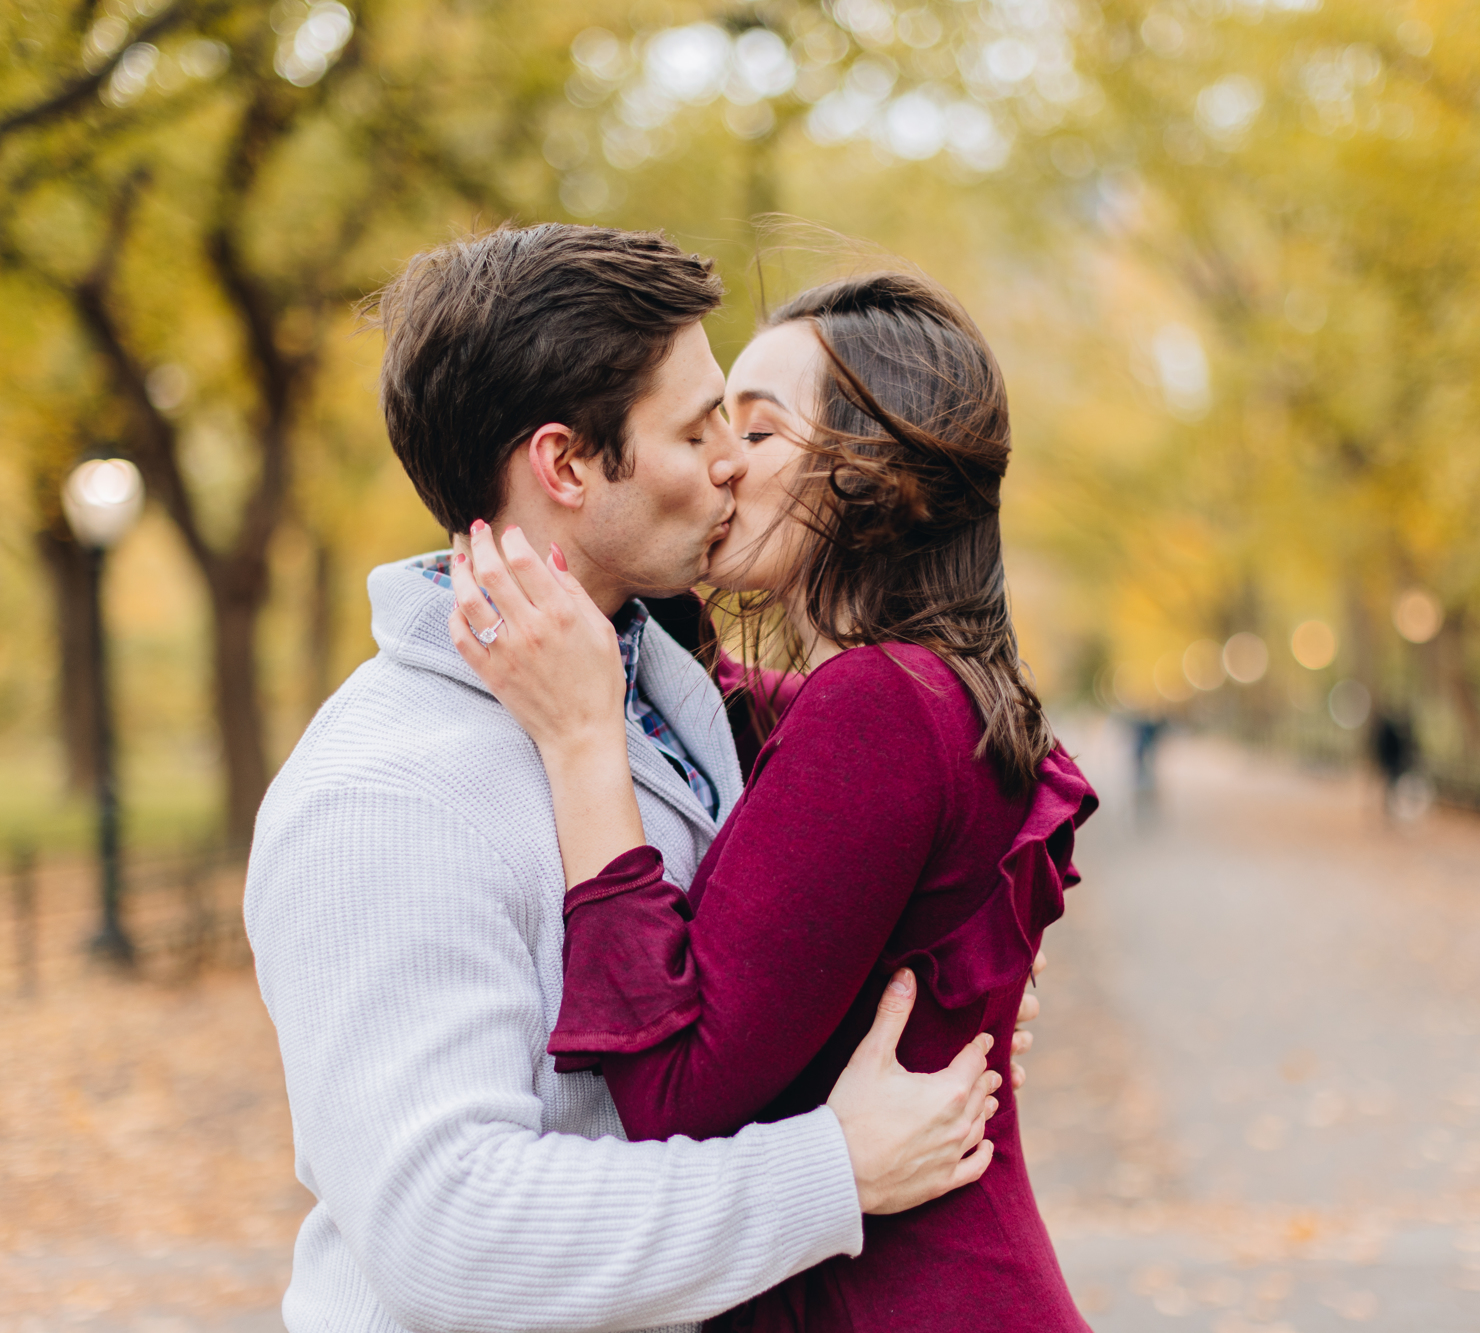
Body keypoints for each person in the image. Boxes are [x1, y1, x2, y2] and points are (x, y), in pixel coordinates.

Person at [245, 225, 1016, 1333]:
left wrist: (933, 987)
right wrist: (828, 1171)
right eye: (700, 427)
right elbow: (449, 1232)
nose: (730, 463)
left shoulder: (655, 689)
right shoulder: (384, 794)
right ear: (564, 465)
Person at [448, 270, 1099, 1330]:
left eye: (755, 430)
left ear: (880, 478)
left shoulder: (878, 703)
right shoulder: (920, 688)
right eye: (708, 426)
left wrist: (582, 745)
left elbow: (673, 1094)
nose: (718, 463)